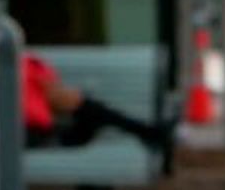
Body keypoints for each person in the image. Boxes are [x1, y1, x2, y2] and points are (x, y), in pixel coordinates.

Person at [21, 52, 174, 153]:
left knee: (94, 112)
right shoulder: (26, 65)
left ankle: (149, 133)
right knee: (94, 111)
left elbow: (55, 96)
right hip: (34, 133)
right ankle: (149, 133)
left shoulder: (25, 64)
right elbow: (56, 96)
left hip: (37, 130)